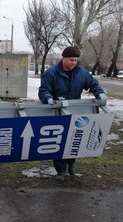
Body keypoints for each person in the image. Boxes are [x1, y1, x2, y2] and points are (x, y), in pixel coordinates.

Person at [38, 46, 107, 181]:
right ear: (63, 58)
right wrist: (49, 98)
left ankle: (72, 163)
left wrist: (100, 93)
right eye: (71, 60)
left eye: (76, 60)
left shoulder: (81, 73)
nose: (73, 63)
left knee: (75, 139)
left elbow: (93, 84)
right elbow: (43, 90)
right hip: (57, 112)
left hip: (76, 112)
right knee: (59, 142)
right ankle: (61, 170)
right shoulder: (51, 73)